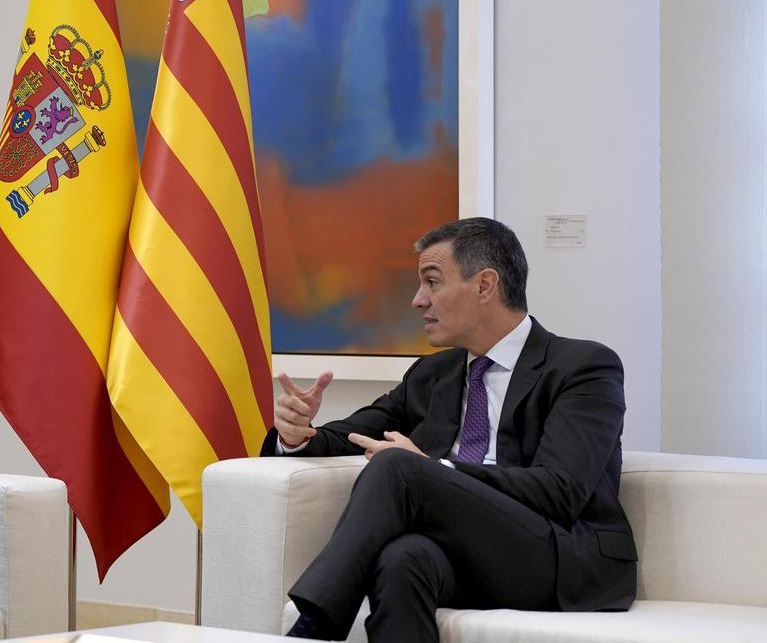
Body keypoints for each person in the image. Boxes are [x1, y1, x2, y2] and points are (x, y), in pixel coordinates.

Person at [268, 218, 636, 642]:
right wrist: (297, 434)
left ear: (484, 285)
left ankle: (314, 626)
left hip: (561, 554)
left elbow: (561, 491)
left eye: (432, 282)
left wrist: (435, 467)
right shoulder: (432, 374)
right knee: (402, 558)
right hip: (469, 554)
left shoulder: (582, 366)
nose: (417, 301)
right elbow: (350, 435)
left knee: (400, 468)